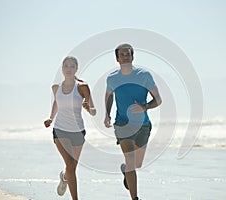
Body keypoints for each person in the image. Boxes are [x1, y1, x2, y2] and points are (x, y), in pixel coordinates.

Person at [104, 43, 162, 200]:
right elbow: (109, 95)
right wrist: (107, 114)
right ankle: (135, 198)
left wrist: (146, 106)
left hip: (143, 125)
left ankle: (126, 171)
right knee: (130, 159)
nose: (125, 57)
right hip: (122, 123)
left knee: (137, 164)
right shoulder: (112, 78)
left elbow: (158, 99)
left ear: (132, 56)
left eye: (128, 54)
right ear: (117, 59)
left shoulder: (144, 75)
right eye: (121, 55)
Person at [44, 56, 96, 200]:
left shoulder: (82, 87)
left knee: (72, 167)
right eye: (66, 66)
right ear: (62, 68)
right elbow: (57, 103)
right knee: (71, 166)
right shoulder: (56, 87)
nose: (69, 68)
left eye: (72, 66)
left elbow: (94, 111)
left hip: (78, 132)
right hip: (60, 130)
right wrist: (50, 118)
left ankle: (64, 178)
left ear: (76, 69)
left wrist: (88, 108)